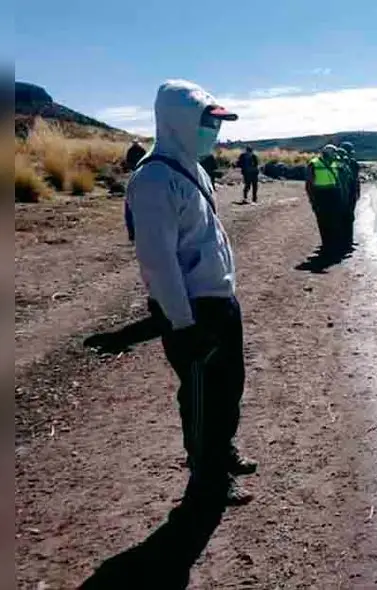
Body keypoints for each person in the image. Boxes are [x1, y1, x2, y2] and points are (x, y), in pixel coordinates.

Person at [126, 79, 256, 506]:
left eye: (217, 124)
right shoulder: (154, 180)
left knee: (229, 386)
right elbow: (158, 261)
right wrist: (183, 323)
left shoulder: (195, 169)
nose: (214, 132)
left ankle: (222, 452)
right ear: (180, 121)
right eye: (208, 123)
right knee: (202, 396)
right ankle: (207, 478)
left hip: (219, 303)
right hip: (191, 312)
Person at [305, 144, 349, 255]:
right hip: (320, 195)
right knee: (323, 221)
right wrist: (312, 200)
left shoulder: (334, 163)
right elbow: (309, 184)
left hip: (334, 194)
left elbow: (338, 179)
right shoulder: (314, 163)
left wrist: (341, 195)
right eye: (333, 153)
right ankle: (327, 245)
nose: (335, 156)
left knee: (335, 220)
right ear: (327, 153)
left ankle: (334, 245)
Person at [123, 140, 148, 242]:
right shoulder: (142, 150)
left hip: (135, 175)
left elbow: (128, 162)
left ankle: (132, 232)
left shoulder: (131, 151)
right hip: (145, 174)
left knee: (129, 203)